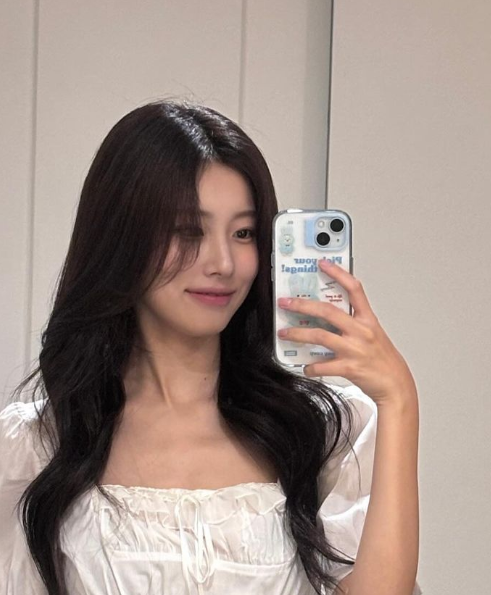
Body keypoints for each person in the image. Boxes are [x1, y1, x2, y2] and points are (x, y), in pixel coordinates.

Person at [0, 100, 422, 595]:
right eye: (189, 231)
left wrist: (399, 399)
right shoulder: (35, 446)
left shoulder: (325, 432)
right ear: (122, 238)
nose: (223, 263)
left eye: (243, 233)